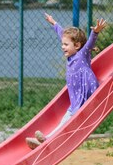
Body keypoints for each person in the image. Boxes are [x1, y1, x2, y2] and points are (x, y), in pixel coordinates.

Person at [26, 13, 107, 149]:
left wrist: (95, 32)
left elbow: (89, 44)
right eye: (62, 44)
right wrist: (53, 22)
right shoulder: (71, 56)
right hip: (76, 99)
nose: (62, 47)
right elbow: (61, 33)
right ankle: (47, 140)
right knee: (65, 118)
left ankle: (49, 140)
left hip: (87, 97)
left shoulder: (82, 55)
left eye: (65, 45)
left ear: (77, 45)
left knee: (69, 120)